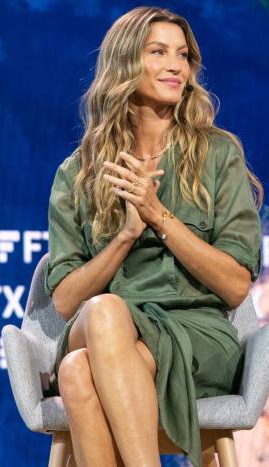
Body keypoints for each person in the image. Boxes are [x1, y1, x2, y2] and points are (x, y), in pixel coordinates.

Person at [46, 7, 262, 467]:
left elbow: (235, 286)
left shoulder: (218, 154)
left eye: (183, 55)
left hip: (196, 335)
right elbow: (65, 303)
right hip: (107, 328)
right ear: (125, 64)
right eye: (158, 52)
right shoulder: (77, 174)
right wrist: (125, 235)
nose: (176, 66)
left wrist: (157, 214)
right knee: (104, 310)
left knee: (76, 372)